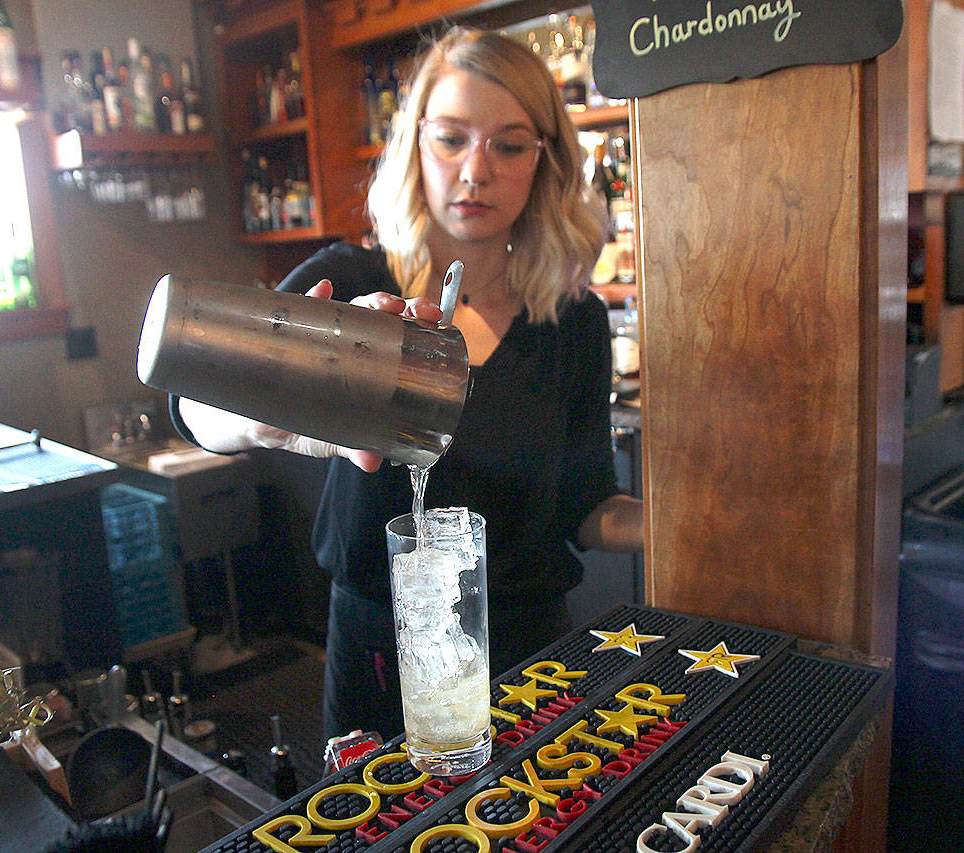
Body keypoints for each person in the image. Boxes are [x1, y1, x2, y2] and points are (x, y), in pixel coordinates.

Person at [173, 27, 644, 740]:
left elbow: (584, 502)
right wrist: (257, 420)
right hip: (377, 652)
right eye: (452, 138)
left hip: (530, 653)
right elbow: (191, 402)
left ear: (545, 162)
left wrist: (678, 521)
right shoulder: (354, 287)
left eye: (509, 145)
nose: (475, 171)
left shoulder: (571, 318)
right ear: (416, 144)